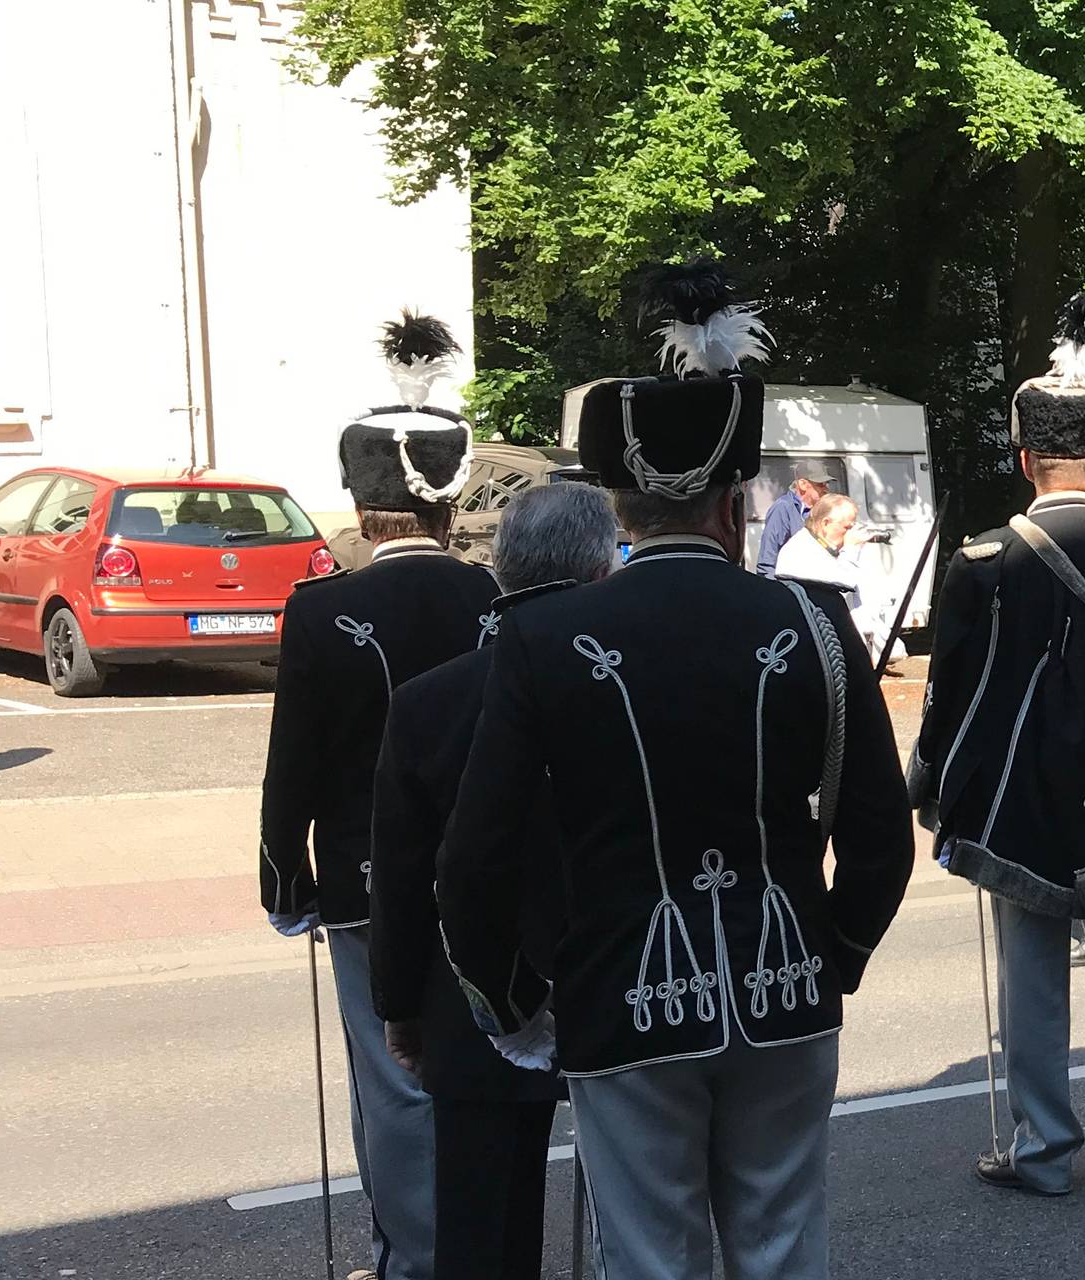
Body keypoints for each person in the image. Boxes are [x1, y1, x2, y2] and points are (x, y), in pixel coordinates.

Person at [440, 263, 916, 1273]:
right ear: (735, 502)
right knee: (782, 1248)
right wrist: (838, 952)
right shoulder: (814, 621)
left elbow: (475, 854)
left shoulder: (541, 636)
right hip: (785, 978)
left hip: (621, 991)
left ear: (616, 504)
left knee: (651, 1257)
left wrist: (516, 998)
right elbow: (878, 829)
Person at [912, 293, 1085, 1197]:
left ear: (1027, 458)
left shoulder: (986, 559)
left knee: (1033, 972)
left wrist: (934, 785)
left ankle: (1040, 1153)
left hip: (1020, 798)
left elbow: (950, 697)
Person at [258, 311, 492, 1280]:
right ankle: (481, 1246)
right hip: (484, 873)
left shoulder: (321, 609)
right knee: (487, 1070)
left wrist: (285, 878)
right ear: (449, 505)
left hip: (363, 880)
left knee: (394, 1084)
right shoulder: (497, 598)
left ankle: (414, 1259)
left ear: (362, 503)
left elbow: (296, 764)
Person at [368, 483, 612, 1280]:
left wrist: (399, 1009)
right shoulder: (622, 691)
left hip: (468, 995)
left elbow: (401, 883)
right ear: (602, 569)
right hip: (602, 982)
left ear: (502, 570)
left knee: (480, 1228)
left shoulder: (427, 701)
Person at [772, 492, 891, 663]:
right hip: (819, 648)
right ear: (826, 523)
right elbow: (843, 582)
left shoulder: (824, 548)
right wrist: (851, 550)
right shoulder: (800, 550)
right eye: (847, 528)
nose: (851, 534)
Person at [753, 460, 831, 576]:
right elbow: (767, 561)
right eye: (820, 484)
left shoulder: (823, 509)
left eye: (826, 484)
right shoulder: (783, 508)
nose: (826, 489)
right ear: (803, 484)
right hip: (790, 586)